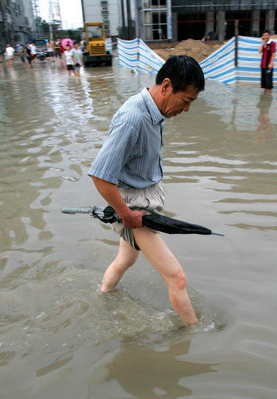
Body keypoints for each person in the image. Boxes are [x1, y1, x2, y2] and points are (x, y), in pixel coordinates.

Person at [88, 55, 205, 325]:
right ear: (166, 86)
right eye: (186, 101)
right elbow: (100, 176)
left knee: (124, 261)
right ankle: (197, 335)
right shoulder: (133, 119)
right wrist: (127, 216)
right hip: (135, 211)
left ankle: (102, 295)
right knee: (177, 278)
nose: (186, 109)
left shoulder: (157, 110)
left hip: (142, 203)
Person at [259, 30, 276, 94]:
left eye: (266, 35)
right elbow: (260, 51)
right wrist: (262, 43)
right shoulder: (264, 44)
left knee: (269, 84)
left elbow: (273, 54)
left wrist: (271, 63)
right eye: (263, 35)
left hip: (268, 65)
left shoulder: (272, 43)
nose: (264, 36)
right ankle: (265, 98)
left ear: (269, 35)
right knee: (264, 83)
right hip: (263, 65)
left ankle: (269, 97)